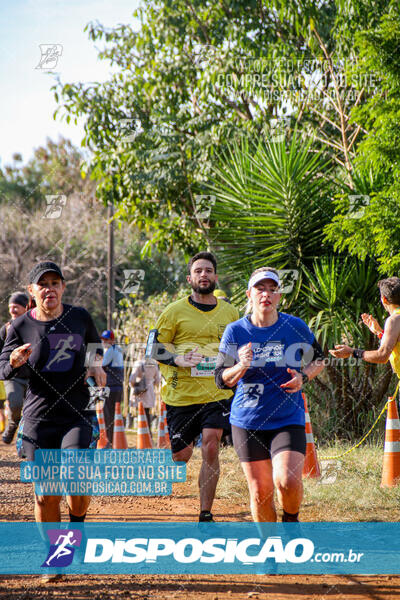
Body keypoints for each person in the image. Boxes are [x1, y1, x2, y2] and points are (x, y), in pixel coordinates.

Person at [0, 261, 106, 530]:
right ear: (32, 291)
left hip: (77, 413)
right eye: (43, 285)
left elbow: (95, 345)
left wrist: (95, 362)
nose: (49, 289)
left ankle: (77, 525)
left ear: (63, 287)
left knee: (76, 480)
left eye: (54, 284)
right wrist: (13, 362)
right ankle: (56, 556)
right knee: (46, 495)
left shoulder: (79, 317)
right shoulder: (20, 326)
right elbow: (2, 369)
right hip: (39, 417)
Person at [215, 267, 325, 522]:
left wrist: (303, 377)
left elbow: (319, 359)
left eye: (272, 289)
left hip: (287, 417)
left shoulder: (294, 326)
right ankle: (270, 556)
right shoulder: (235, 331)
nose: (266, 294)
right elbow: (220, 379)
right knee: (260, 492)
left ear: (279, 296)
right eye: (260, 289)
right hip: (247, 421)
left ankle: (290, 520)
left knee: (286, 481)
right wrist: (241, 365)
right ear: (249, 294)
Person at [150, 251, 239, 522]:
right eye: (198, 270)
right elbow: (153, 348)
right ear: (190, 278)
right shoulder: (174, 311)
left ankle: (205, 512)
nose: (204, 275)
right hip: (182, 395)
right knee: (181, 456)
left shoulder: (230, 312)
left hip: (217, 392)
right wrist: (179, 359)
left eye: (209, 270)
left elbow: (236, 349)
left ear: (215, 277)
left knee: (211, 445)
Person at [330, 277, 400, 379]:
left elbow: (382, 356)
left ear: (384, 299)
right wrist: (379, 332)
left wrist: (352, 352)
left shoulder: (394, 320)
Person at [0, 292, 30, 444]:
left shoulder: (35, 325)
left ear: (26, 307)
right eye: (10, 307)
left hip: (33, 376)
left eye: (16, 307)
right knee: (16, 403)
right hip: (13, 376)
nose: (12, 310)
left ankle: (28, 442)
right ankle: (12, 426)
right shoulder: (5, 329)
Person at [101, 329, 124, 445]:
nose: (104, 341)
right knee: (115, 415)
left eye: (106, 339)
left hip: (110, 386)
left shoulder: (110, 351)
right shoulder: (118, 350)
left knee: (108, 415)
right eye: (103, 339)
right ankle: (115, 441)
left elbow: (102, 366)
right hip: (118, 387)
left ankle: (110, 441)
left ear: (112, 340)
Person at [129, 351, 161, 435]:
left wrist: (134, 386)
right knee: (146, 412)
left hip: (140, 390)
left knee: (140, 412)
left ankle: (142, 434)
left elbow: (132, 379)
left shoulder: (138, 363)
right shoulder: (154, 364)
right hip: (150, 390)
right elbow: (158, 381)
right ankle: (148, 433)